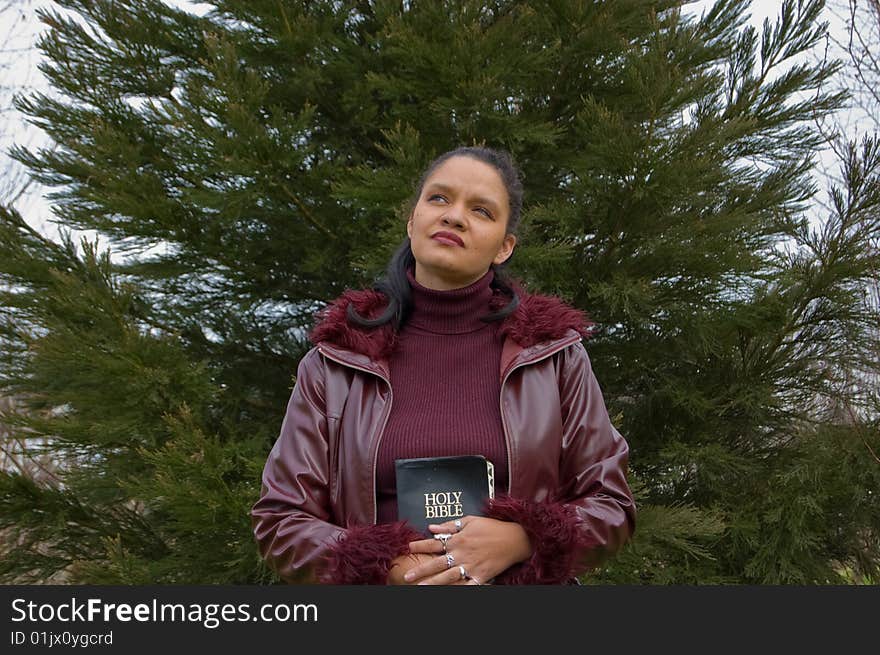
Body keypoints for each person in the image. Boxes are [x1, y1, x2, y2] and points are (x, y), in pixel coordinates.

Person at [251, 146, 635, 585]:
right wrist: (387, 568)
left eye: (482, 211)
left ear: (504, 247)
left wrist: (522, 540)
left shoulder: (555, 357)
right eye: (438, 199)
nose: (454, 216)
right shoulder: (336, 362)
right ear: (412, 220)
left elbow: (612, 505)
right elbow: (281, 519)